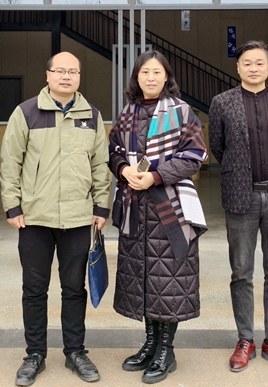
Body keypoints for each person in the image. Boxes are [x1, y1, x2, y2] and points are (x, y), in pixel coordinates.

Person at [0, 52, 111, 387]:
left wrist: (101, 207)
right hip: (35, 218)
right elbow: (10, 163)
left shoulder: (91, 116)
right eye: (60, 70)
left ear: (79, 77)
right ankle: (34, 354)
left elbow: (100, 165)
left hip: (78, 218)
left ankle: (75, 351)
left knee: (74, 288)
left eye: (72, 71)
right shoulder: (26, 112)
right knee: (34, 289)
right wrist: (12, 206)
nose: (66, 76)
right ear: (47, 75)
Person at [109, 50, 208, 385]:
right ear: (136, 77)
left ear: (166, 76)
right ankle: (150, 344)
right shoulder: (127, 113)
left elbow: (194, 155)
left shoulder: (181, 112)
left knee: (169, 280)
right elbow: (114, 151)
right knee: (144, 278)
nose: (150, 78)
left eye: (156, 72)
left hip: (170, 210)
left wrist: (155, 176)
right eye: (144, 72)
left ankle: (167, 350)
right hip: (135, 208)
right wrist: (123, 170)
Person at [208, 40, 268, 375]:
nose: (254, 68)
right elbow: (218, 146)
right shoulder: (222, 102)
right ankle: (245, 339)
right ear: (238, 68)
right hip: (240, 197)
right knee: (241, 272)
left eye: (260, 62)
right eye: (247, 63)